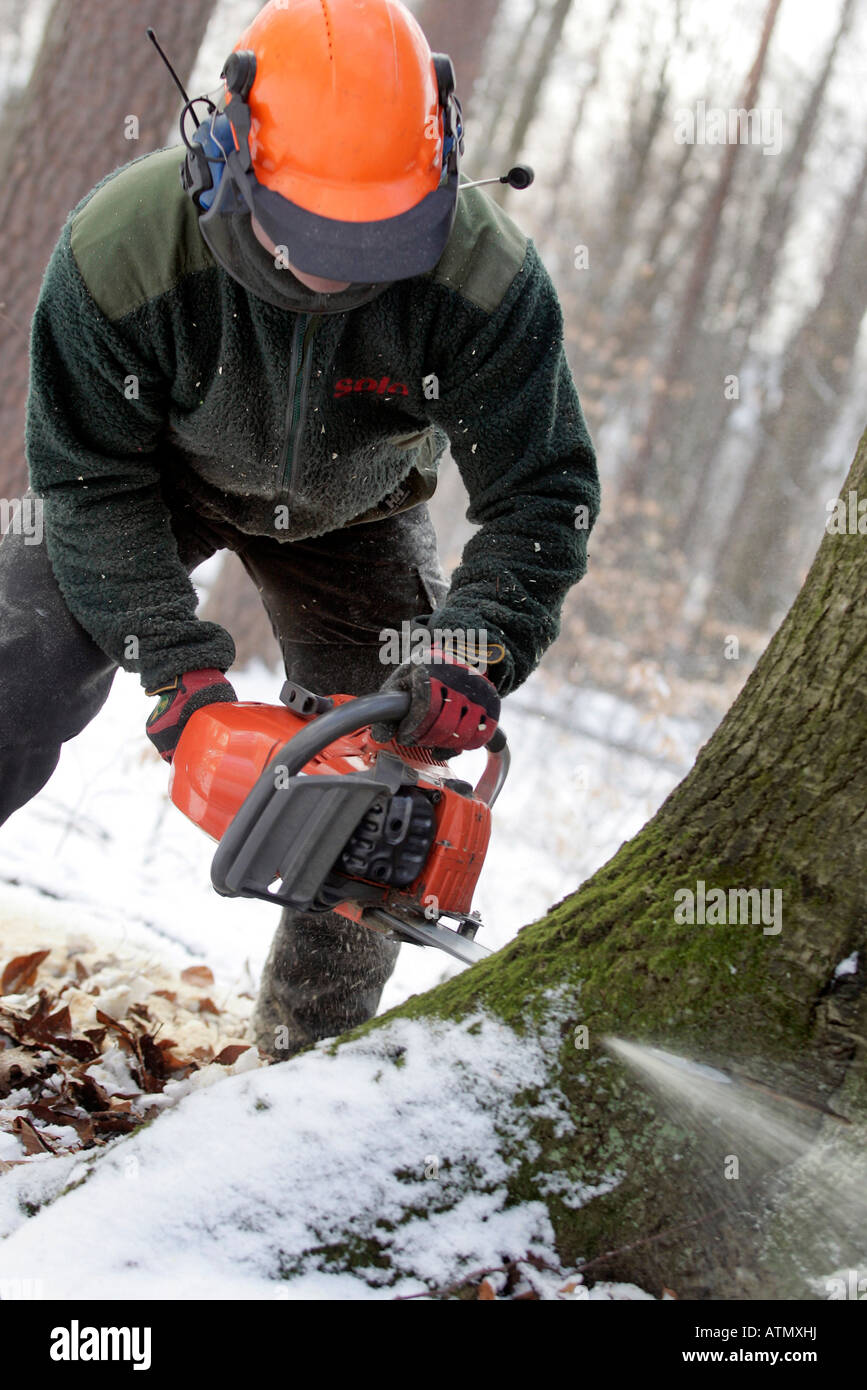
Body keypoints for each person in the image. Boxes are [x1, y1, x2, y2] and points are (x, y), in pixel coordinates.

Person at [0, 0, 600, 1059]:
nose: (340, 270)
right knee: (15, 657)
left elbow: (543, 493)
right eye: (316, 233)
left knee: (382, 784)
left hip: (358, 510)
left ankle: (300, 1063)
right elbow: (87, 482)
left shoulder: (484, 280)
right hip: (152, 482)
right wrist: (178, 671)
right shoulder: (123, 251)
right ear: (230, 155)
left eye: (378, 241)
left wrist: (477, 643)